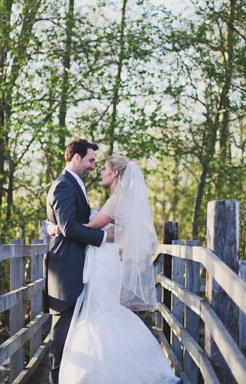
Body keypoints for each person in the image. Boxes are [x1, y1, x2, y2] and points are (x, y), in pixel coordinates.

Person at [50, 155, 180, 384]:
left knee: (102, 313)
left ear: (115, 174)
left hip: (104, 263)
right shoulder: (119, 198)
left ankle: (106, 371)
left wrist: (57, 228)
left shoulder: (118, 199)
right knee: (104, 311)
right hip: (106, 261)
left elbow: (86, 228)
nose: (101, 173)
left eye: (105, 169)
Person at [45, 139, 115, 384]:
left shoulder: (75, 185)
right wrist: (104, 236)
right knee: (61, 340)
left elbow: (69, 225)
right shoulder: (63, 186)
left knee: (77, 337)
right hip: (66, 273)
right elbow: (69, 226)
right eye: (90, 160)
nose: (93, 166)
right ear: (75, 158)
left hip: (80, 270)